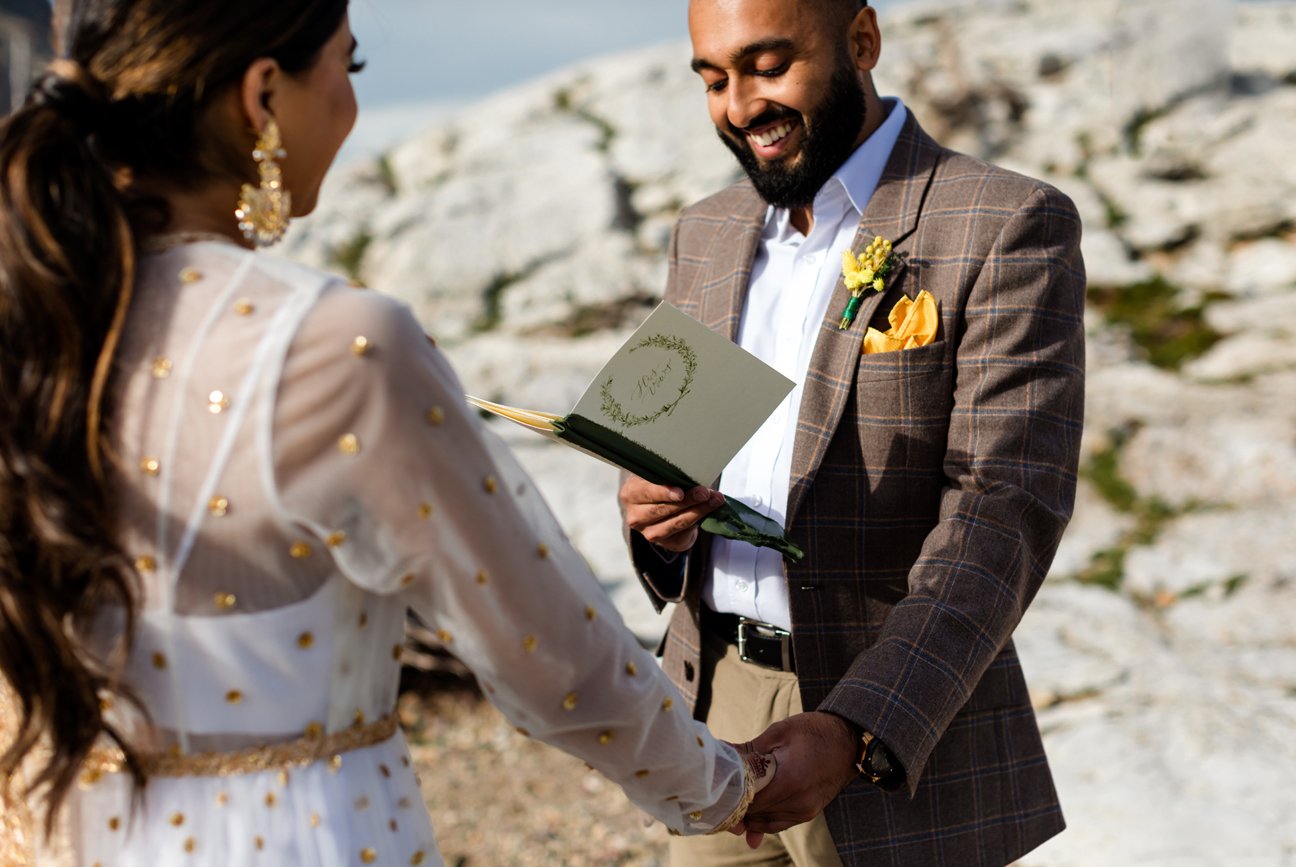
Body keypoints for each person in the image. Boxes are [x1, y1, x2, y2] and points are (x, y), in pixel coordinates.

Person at [0, 2, 774, 865]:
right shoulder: (331, 346)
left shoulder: (27, 319)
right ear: (262, 96)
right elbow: (555, 660)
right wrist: (726, 784)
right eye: (349, 66)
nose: (351, 102)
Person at [620, 0, 1086, 865]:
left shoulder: (1008, 221)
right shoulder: (707, 231)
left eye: (767, 66)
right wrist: (655, 524)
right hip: (713, 705)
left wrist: (860, 725)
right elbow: (667, 452)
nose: (739, 106)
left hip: (892, 729)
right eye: (714, 79)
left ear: (862, 41)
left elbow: (1004, 508)